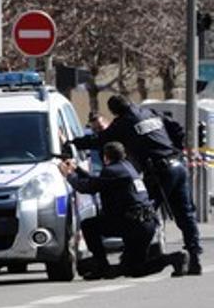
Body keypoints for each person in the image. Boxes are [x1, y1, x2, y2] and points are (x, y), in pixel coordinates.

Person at [71, 95, 202, 275]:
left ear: (115, 112)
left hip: (159, 172)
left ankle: (135, 257)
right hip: (177, 165)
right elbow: (176, 128)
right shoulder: (150, 113)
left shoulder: (123, 123)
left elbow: (100, 141)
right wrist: (176, 149)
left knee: (142, 212)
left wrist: (74, 143)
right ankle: (194, 259)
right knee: (186, 214)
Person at [59, 142, 186, 279]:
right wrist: (77, 169)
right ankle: (176, 258)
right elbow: (98, 181)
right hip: (145, 223)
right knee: (134, 267)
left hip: (132, 224)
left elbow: (87, 187)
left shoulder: (111, 171)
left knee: (89, 226)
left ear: (106, 157)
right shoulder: (127, 167)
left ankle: (102, 266)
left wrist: (69, 175)